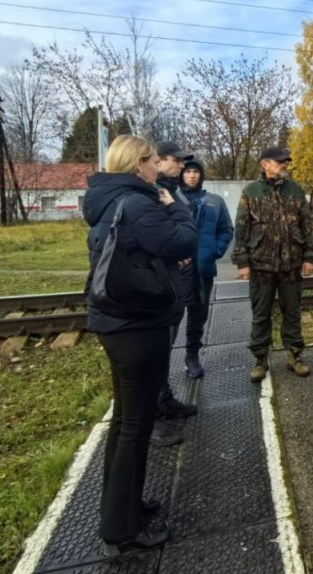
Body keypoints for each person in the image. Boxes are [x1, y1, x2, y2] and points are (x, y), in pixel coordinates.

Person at [83, 134, 198, 556]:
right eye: (151, 162)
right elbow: (184, 239)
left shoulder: (108, 202)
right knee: (134, 427)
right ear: (137, 165)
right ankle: (122, 530)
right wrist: (178, 209)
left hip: (118, 323)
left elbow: (141, 252)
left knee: (125, 424)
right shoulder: (137, 203)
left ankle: (124, 509)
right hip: (136, 326)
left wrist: (164, 254)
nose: (157, 169)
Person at [232, 146, 313, 382]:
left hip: (291, 265)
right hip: (260, 265)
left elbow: (306, 226)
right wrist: (242, 262)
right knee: (261, 315)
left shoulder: (295, 189)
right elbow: (241, 228)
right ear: (264, 164)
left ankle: (294, 356)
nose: (284, 165)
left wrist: (309, 257)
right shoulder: (251, 191)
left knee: (293, 312)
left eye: (286, 162)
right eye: (279, 162)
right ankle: (260, 359)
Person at [148, 140, 199, 446]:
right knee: (155, 350)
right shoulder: (153, 192)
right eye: (177, 161)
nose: (183, 167)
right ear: (160, 159)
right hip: (162, 277)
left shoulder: (171, 188)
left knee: (166, 345)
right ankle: (151, 416)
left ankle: (163, 399)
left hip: (178, 275)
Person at [180, 158, 234, 379]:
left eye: (195, 172)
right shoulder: (171, 199)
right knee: (170, 317)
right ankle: (161, 361)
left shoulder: (214, 201)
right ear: (181, 175)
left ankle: (192, 356)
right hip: (176, 270)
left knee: (198, 316)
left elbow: (226, 229)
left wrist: (215, 251)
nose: (192, 176)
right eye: (187, 172)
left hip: (203, 269)